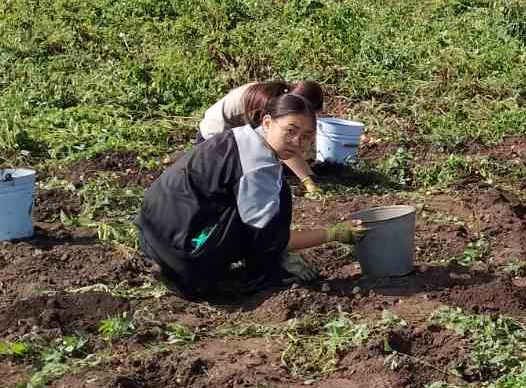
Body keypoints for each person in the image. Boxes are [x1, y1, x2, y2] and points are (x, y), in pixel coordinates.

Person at [140, 93, 361, 299]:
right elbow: (273, 237)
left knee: (279, 192)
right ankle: (251, 276)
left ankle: (177, 261)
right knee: (268, 225)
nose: (297, 142)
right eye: (290, 130)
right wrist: (333, 233)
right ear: (267, 122)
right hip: (184, 257)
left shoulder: (242, 136)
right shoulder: (256, 168)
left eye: (306, 137)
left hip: (154, 233)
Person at [198, 79, 325, 195]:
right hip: (213, 138)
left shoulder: (281, 94)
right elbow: (284, 144)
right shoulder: (274, 106)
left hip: (236, 131)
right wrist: (308, 179)